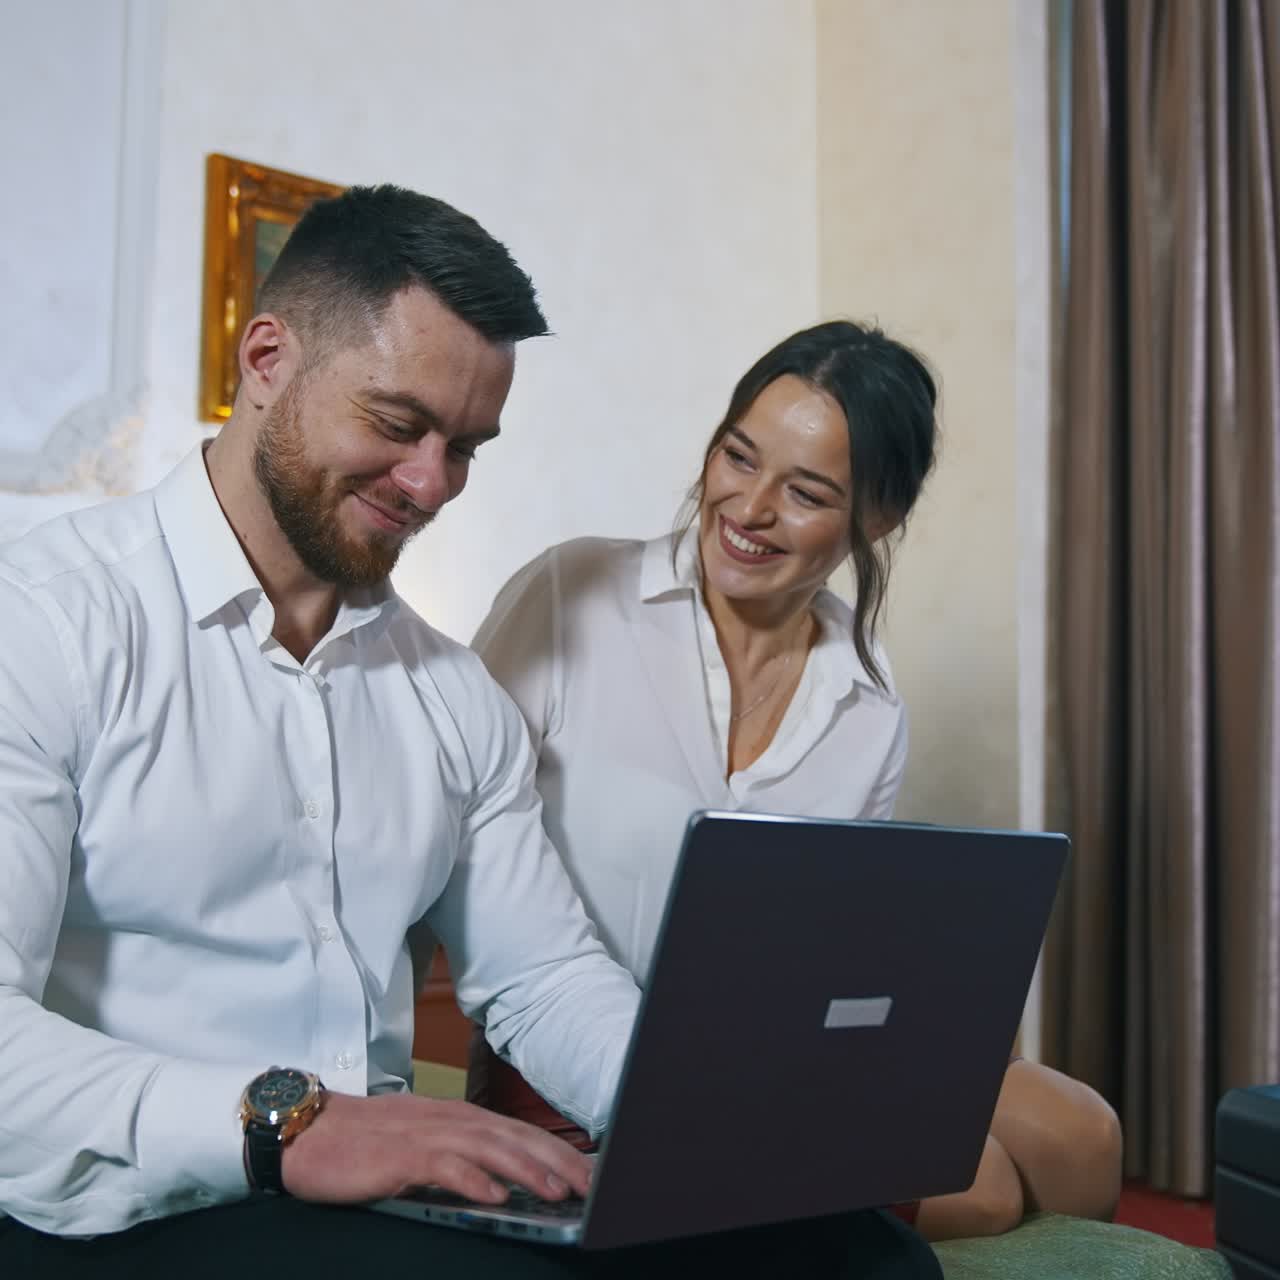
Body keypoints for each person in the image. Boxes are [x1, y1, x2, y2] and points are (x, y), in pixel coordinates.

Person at [0, 186, 939, 1279]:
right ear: (266, 360)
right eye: (397, 426)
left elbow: (541, 972)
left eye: (465, 448)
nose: (429, 484)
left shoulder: (448, 694)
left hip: (373, 1198)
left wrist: (708, 1122)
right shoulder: (46, 622)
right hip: (121, 1206)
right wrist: (294, 1123)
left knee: (863, 1259)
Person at [469, 320, 1124, 1241]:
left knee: (1085, 1136)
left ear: (877, 518)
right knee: (986, 1190)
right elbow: (448, 823)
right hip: (582, 1059)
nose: (750, 506)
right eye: (739, 456)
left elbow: (831, 938)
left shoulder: (868, 702)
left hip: (772, 1050)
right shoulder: (568, 595)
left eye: (807, 492)